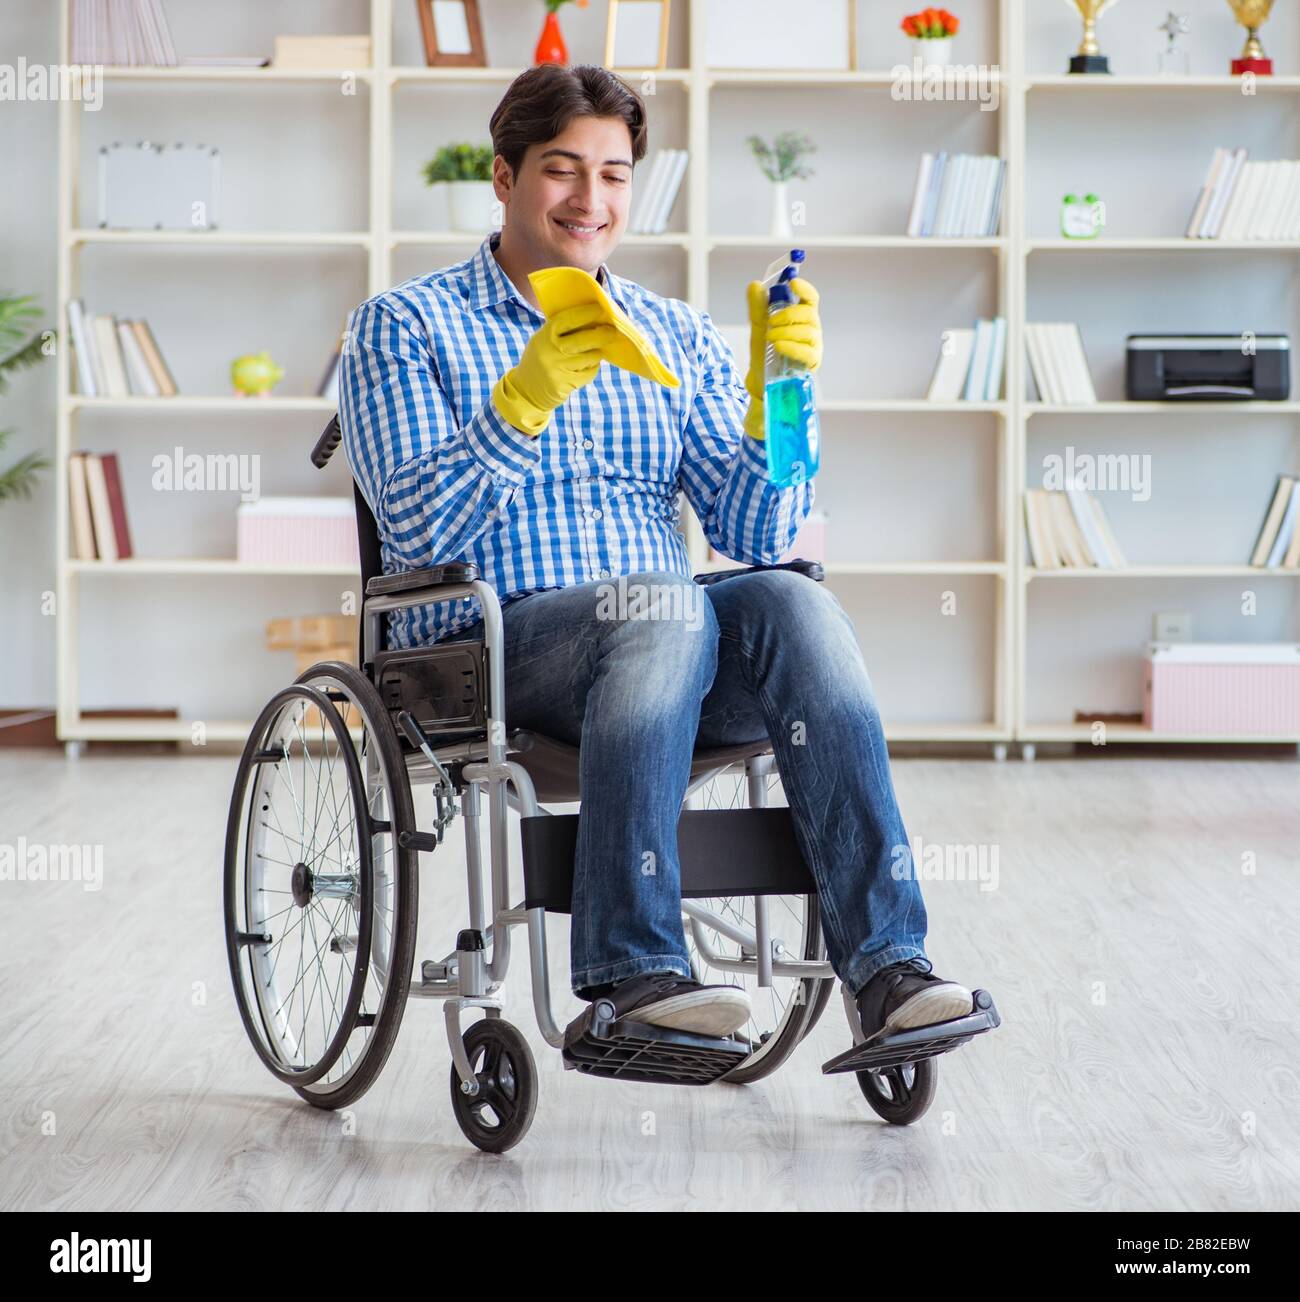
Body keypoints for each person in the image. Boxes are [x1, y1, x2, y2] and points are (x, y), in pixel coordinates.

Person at [340, 63, 979, 1048]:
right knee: (661, 605)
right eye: (561, 171)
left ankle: (889, 969)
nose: (590, 200)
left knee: (792, 601)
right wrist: (523, 396)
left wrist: (783, 400)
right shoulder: (402, 326)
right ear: (504, 178)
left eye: (613, 174)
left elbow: (758, 534)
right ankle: (632, 975)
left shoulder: (674, 334)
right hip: (491, 651)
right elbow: (418, 537)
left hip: (662, 656)